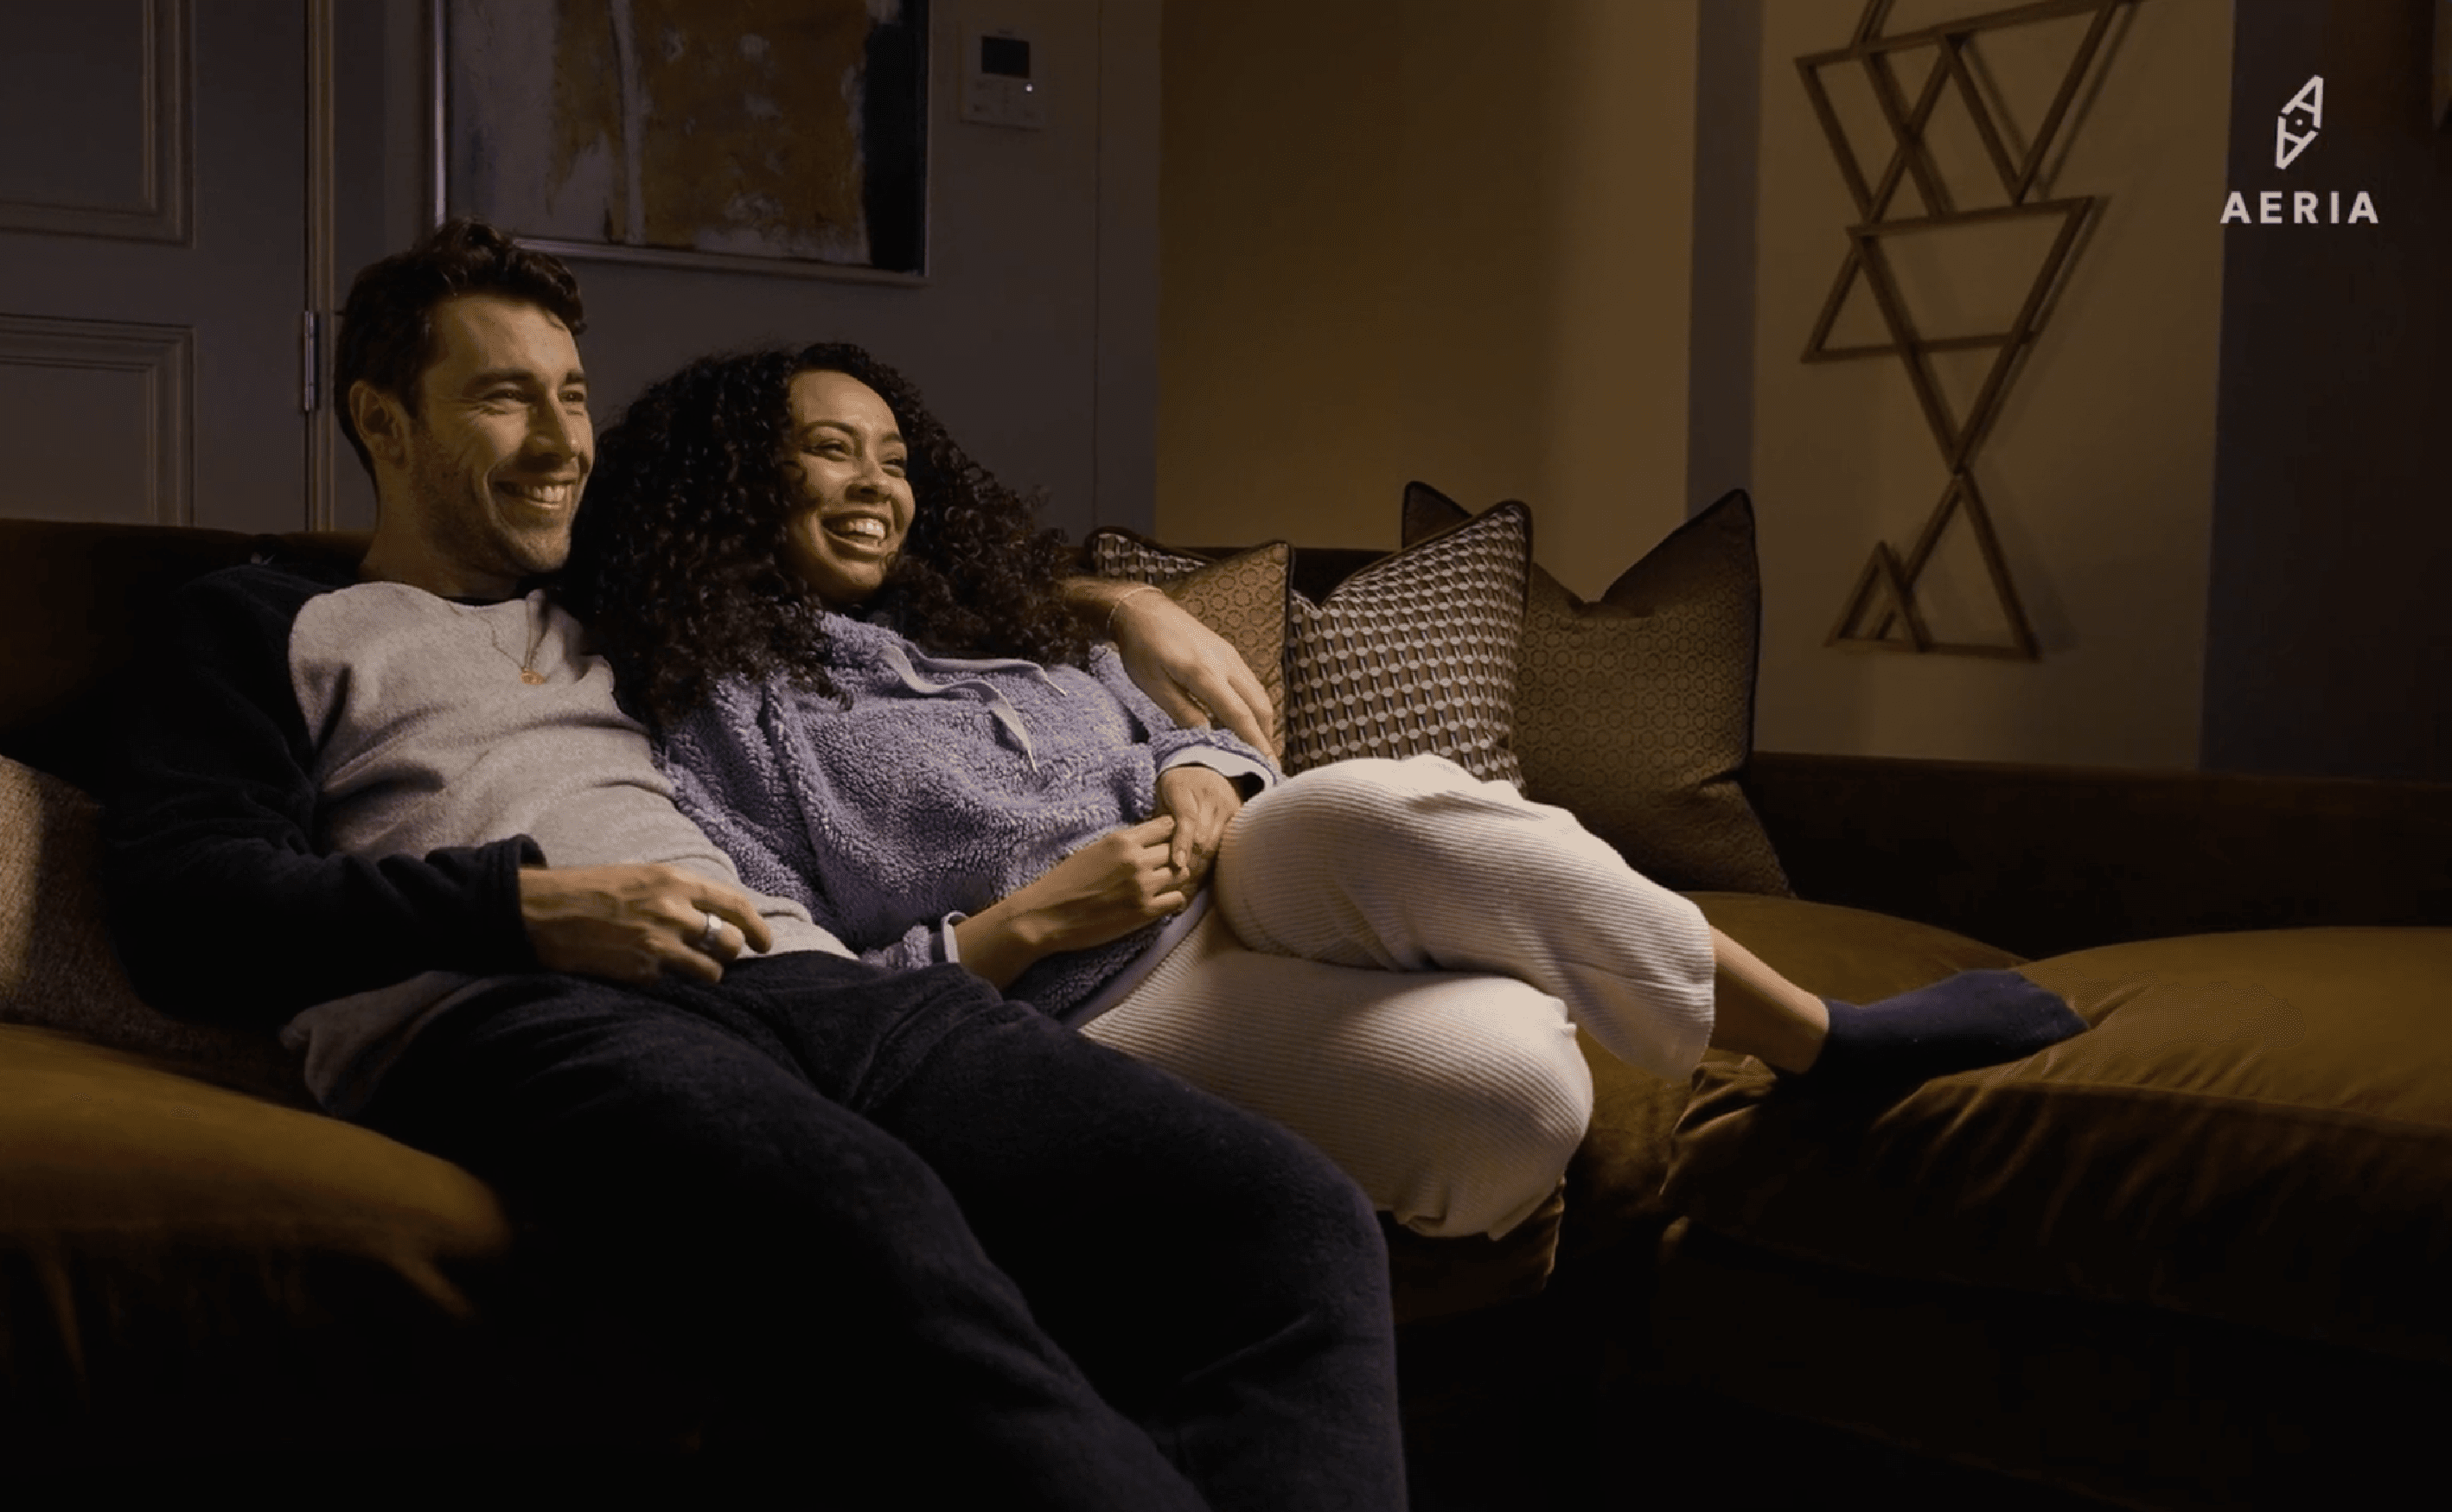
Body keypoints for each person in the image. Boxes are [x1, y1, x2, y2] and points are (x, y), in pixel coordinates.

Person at [93, 220, 1424, 1512]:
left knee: (1284, 1217)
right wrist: (526, 914)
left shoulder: (635, 594)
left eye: (575, 395)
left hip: (813, 983)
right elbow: (189, 906)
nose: (557, 440)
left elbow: (912, 574)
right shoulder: (260, 624)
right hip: (522, 1014)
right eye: (502, 398)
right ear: (381, 421)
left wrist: (1121, 599)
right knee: (871, 1225)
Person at [561, 343, 2094, 1240]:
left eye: (894, 456)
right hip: (1087, 999)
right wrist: (1025, 927)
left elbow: (1170, 731)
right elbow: (792, 996)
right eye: (829, 454)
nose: (875, 484)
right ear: (732, 488)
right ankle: (1484, 971)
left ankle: (1823, 1042)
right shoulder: (709, 727)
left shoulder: (994, 622)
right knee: (1521, 1103)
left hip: (1249, 863)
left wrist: (1207, 781)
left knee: (1372, 804)